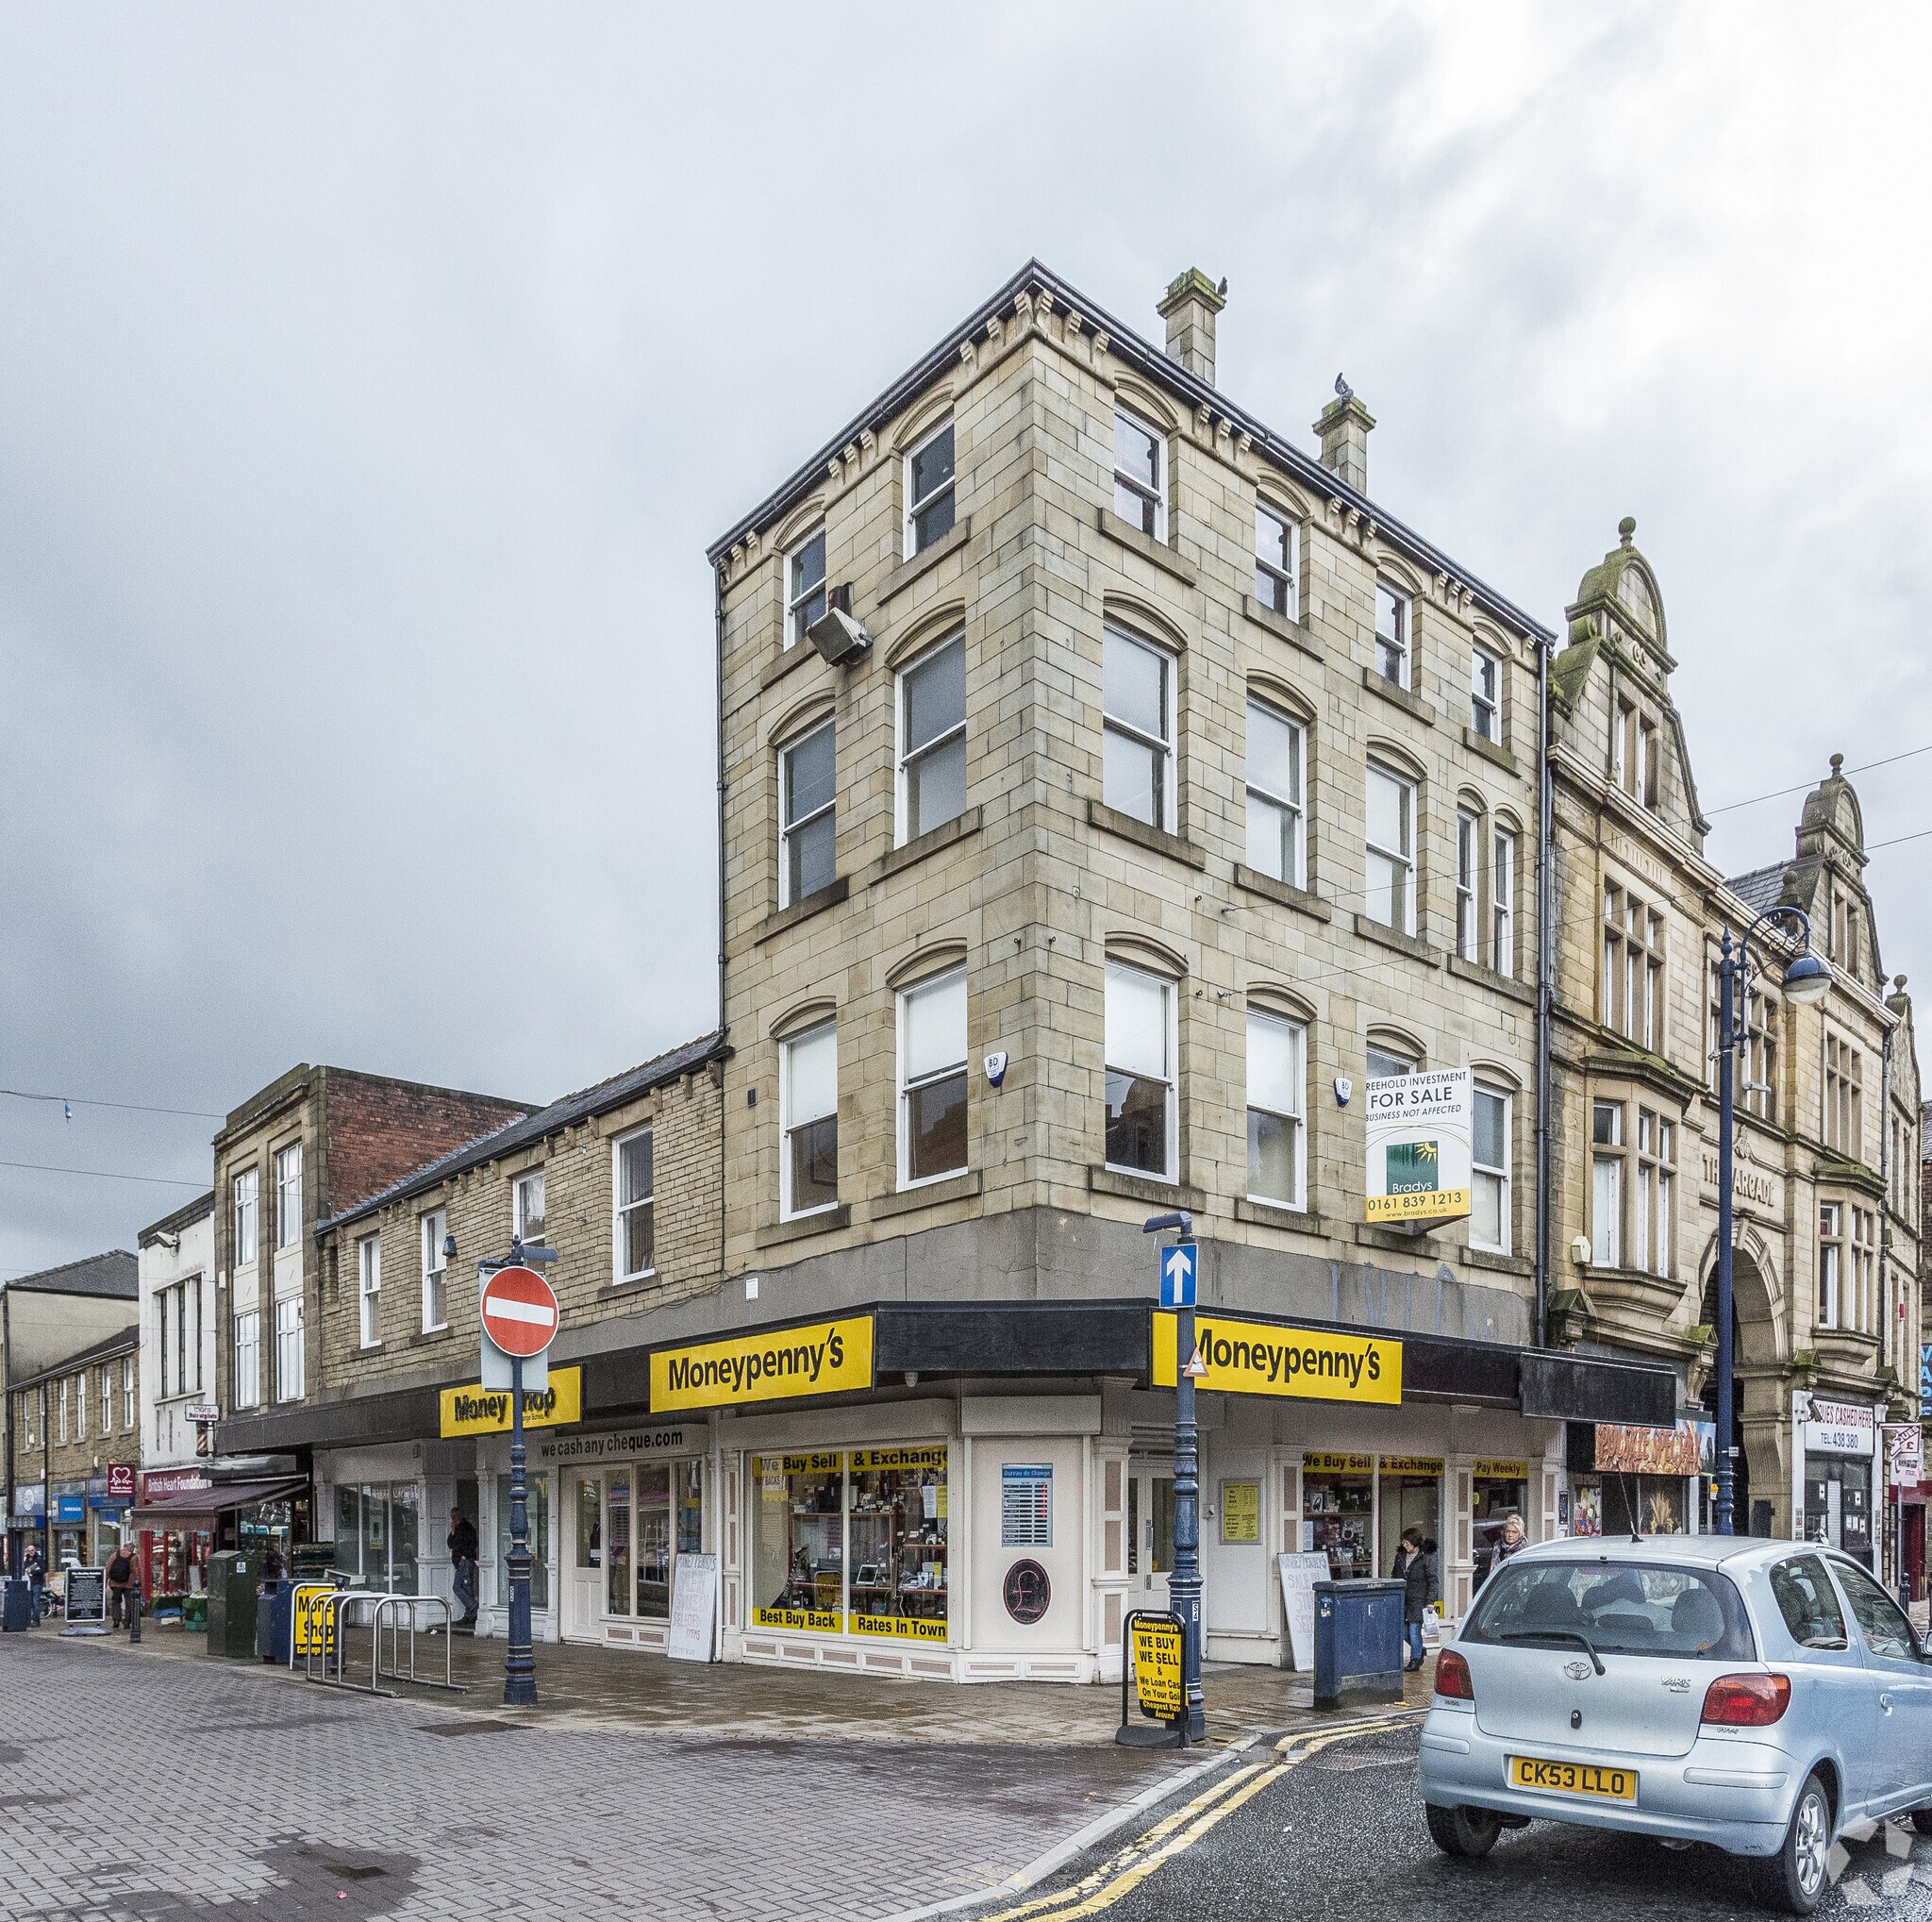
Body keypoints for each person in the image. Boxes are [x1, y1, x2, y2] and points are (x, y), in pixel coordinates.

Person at [1393, 1526, 1435, 1672]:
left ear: (1415, 1542)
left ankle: (1415, 1660)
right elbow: (1394, 1575)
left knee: (1414, 1630)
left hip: (1419, 1599)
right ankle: (1420, 1649)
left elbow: (1433, 1580)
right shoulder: (1400, 1557)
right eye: (1403, 1542)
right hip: (1403, 1599)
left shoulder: (1426, 1557)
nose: (1404, 1545)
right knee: (1403, 1631)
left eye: (1407, 1542)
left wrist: (1430, 1601)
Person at [448, 1509, 479, 1627]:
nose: (453, 1518)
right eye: (451, 1516)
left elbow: (472, 1543)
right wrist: (452, 1531)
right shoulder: (457, 1528)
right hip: (460, 1562)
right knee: (467, 1587)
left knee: (457, 1587)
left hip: (465, 1561)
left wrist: (464, 1556)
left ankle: (472, 1606)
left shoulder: (466, 1528)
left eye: (454, 1516)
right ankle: (470, 1614)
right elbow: (451, 1544)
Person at [106, 1541, 137, 1630]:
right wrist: (138, 1582)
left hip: (115, 1583)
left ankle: (116, 1620)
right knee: (129, 1603)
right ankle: (127, 1622)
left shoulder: (114, 1555)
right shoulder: (134, 1557)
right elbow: (136, 1570)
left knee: (116, 1601)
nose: (134, 1549)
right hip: (129, 1583)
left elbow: (108, 1568)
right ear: (130, 1547)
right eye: (133, 1547)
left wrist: (106, 1580)